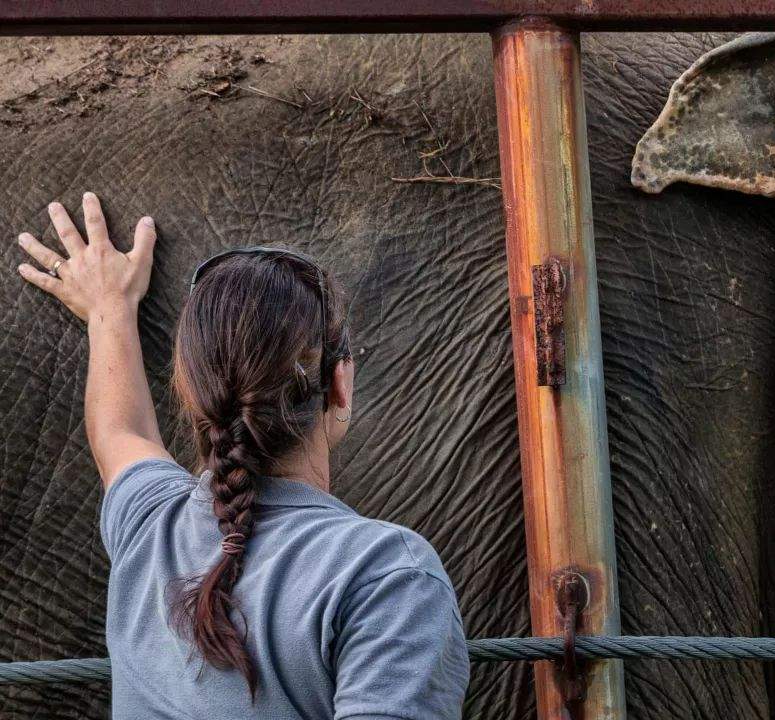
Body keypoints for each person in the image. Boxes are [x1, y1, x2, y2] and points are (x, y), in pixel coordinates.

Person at [15, 193, 470, 719]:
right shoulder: (388, 576)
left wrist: (109, 310)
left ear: (190, 394)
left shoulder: (149, 525)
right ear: (340, 384)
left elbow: (118, 430)